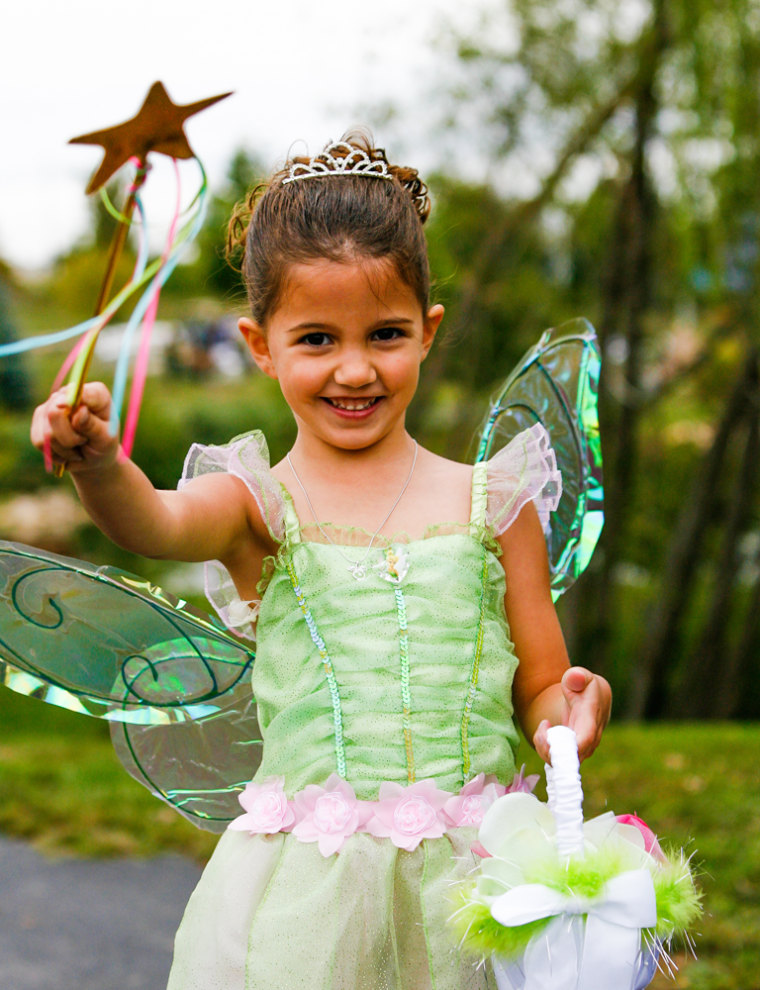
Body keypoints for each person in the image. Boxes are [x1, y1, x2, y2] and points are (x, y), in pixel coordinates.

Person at [31, 134, 611, 990]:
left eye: (385, 334)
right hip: (312, 891)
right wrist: (98, 464)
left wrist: (565, 712)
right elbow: (153, 523)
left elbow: (539, 681)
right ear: (259, 344)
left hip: (476, 879)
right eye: (314, 339)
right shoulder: (257, 504)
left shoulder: (500, 500)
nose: (353, 368)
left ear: (428, 332)